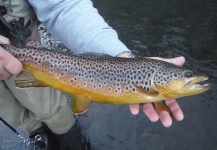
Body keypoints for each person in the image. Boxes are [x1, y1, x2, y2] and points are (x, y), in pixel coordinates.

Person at [0, 0, 184, 149]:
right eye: (185, 76)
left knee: (47, 107)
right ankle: (38, 134)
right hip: (21, 48)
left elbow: (62, 5)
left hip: (18, 33)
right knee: (9, 111)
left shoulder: (153, 84)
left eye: (186, 77)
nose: (189, 79)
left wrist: (120, 55)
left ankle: (65, 137)